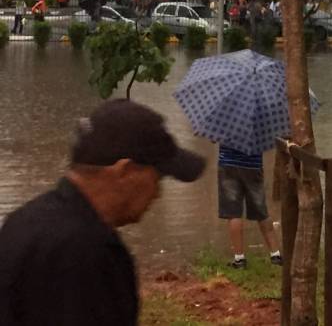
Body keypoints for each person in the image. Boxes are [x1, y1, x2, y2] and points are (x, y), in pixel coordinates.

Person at [0, 100, 205, 326]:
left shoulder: (23, 221)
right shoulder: (88, 251)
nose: (157, 194)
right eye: (157, 178)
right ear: (125, 172)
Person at [218, 144, 282, 268]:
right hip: (253, 166)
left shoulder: (224, 124)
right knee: (261, 211)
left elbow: (213, 138)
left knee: (233, 213)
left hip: (228, 165)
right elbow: (265, 142)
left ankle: (239, 259)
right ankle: (275, 255)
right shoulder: (259, 123)